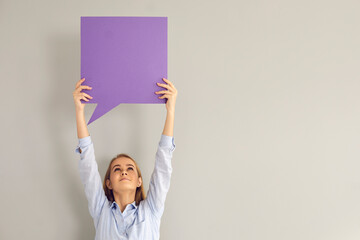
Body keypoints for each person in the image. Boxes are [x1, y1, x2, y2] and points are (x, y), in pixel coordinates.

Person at [73, 77, 177, 240]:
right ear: (108, 183)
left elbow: (163, 166)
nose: (124, 172)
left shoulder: (151, 211)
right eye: (117, 169)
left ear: (139, 181)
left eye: (130, 168)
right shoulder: (101, 211)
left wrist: (171, 111)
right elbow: (88, 167)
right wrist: (79, 112)